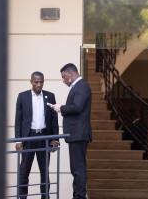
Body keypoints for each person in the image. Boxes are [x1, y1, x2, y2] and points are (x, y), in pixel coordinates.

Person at [15, 71, 59, 199]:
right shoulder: (22, 96)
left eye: (41, 82)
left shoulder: (50, 96)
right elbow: (18, 120)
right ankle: (22, 197)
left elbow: (54, 119)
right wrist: (18, 140)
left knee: (44, 172)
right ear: (31, 82)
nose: (39, 84)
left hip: (44, 137)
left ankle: (45, 197)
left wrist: (55, 139)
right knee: (24, 171)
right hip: (28, 137)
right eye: (36, 82)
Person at [51, 63, 92, 199]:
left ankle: (80, 196)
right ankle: (78, 195)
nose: (63, 80)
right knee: (76, 168)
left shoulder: (82, 86)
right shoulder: (79, 86)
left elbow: (77, 107)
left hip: (79, 133)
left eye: (64, 77)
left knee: (78, 168)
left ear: (71, 74)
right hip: (76, 134)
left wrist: (61, 108)